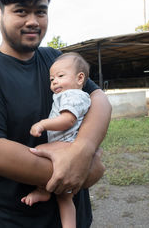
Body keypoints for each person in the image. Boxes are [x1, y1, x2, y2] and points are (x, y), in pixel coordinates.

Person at [0, 0, 112, 228]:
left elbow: (99, 100)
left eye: (40, 11)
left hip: (72, 218)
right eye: (21, 11)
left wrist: (83, 150)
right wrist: (80, 172)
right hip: (14, 218)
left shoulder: (56, 60)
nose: (33, 21)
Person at [21, 52, 93, 228]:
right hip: (64, 144)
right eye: (52, 78)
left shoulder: (73, 95)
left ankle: (43, 191)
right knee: (64, 198)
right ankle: (43, 191)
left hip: (67, 146)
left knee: (37, 153)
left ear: (80, 78)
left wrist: (43, 124)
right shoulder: (72, 95)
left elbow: (68, 120)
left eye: (60, 76)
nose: (54, 81)